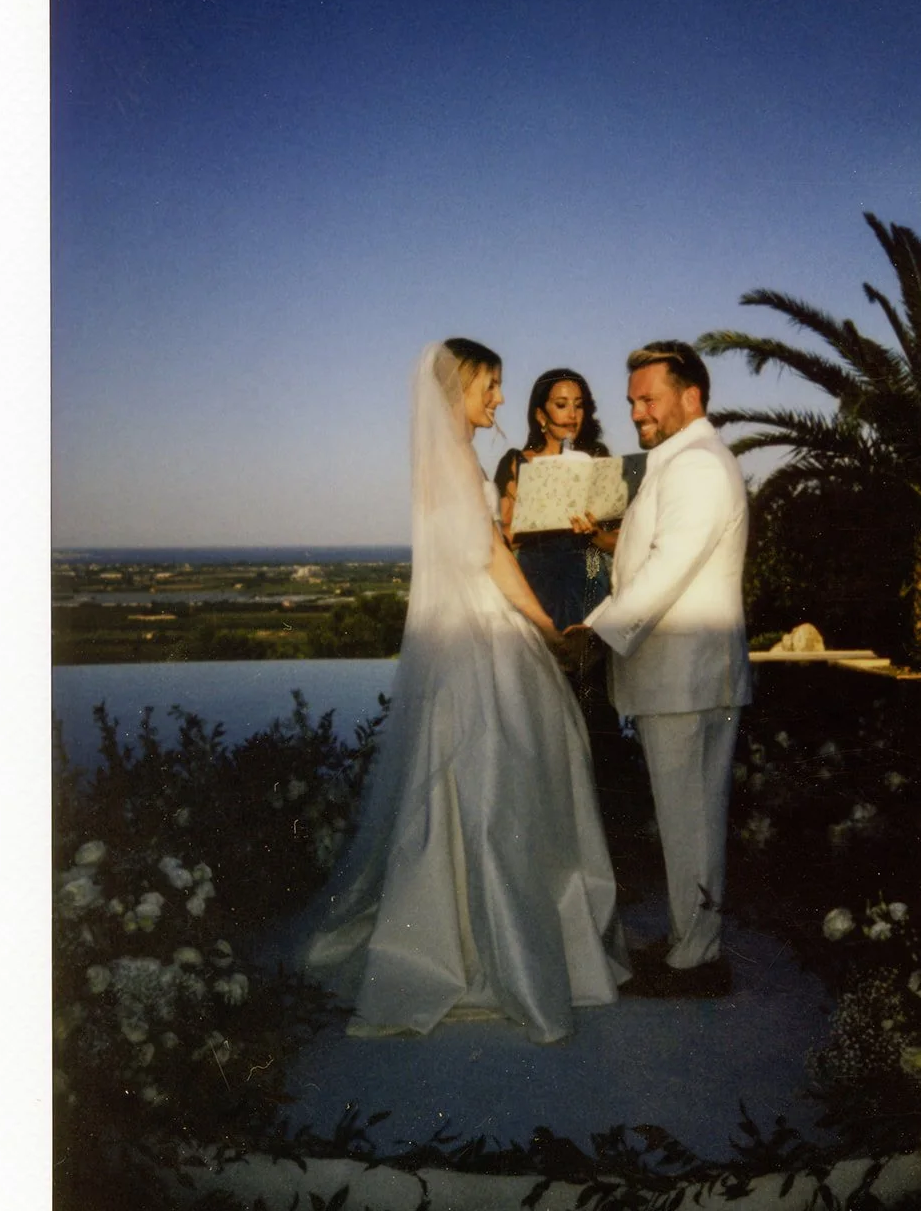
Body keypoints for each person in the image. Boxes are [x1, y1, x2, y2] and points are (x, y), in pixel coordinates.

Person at [306, 339, 628, 1044]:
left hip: (457, 630)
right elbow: (489, 553)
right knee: (502, 784)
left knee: (471, 784)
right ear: (461, 388)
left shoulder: (450, 458)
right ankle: (503, 953)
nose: (500, 399)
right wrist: (546, 628)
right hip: (480, 630)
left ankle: (462, 935)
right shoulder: (455, 459)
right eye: (492, 385)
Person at [566, 341, 751, 998]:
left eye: (649, 399)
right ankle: (689, 946)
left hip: (687, 676)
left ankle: (696, 963)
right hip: (683, 675)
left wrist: (594, 635)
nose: (637, 412)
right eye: (632, 402)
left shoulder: (697, 465)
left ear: (691, 397)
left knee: (690, 821)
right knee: (687, 821)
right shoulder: (682, 461)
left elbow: (668, 567)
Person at [494, 368, 616, 631]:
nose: (572, 415)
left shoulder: (598, 460)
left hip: (588, 574)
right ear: (540, 415)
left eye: (579, 406)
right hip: (535, 579)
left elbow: (618, 539)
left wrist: (593, 532)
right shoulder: (517, 463)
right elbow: (500, 535)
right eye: (561, 405)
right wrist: (537, 520)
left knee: (586, 658)